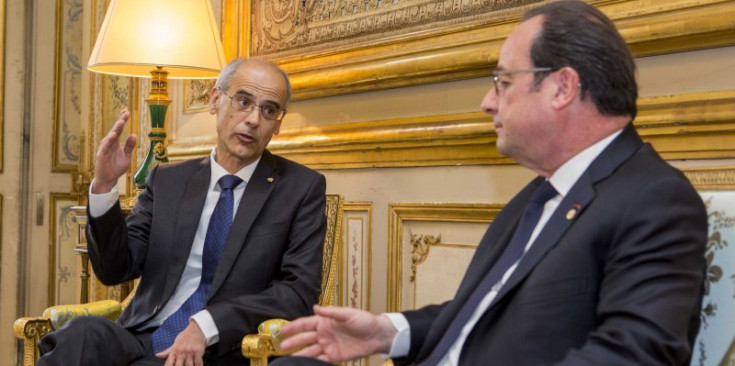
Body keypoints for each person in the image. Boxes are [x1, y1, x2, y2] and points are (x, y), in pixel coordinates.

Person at [273, 1, 708, 365]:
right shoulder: (541, 193)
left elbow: (635, 356)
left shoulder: (656, 200)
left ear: (562, 87)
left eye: (502, 82)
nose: (487, 102)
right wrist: (386, 332)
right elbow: (486, 315)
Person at [37, 58, 328, 366]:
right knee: (79, 335)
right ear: (215, 99)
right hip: (142, 336)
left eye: (269, 110)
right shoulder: (169, 180)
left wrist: (208, 324)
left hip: (219, 349)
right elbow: (115, 269)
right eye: (243, 101)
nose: (254, 119)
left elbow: (297, 293)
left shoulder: (299, 189)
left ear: (278, 123)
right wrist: (105, 186)